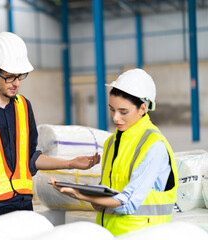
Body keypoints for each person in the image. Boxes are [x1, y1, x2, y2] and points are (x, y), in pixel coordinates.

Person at [0, 31, 100, 222]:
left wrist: (71, 163)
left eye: (20, 76)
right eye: (10, 77)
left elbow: (29, 159)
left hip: (25, 210)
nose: (17, 83)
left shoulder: (24, 106)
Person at [50, 68, 178, 236]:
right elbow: (106, 197)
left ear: (142, 108)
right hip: (109, 233)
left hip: (142, 235)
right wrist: (85, 195)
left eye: (123, 112)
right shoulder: (111, 143)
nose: (115, 118)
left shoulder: (154, 146)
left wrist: (83, 195)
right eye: (112, 110)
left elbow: (130, 202)